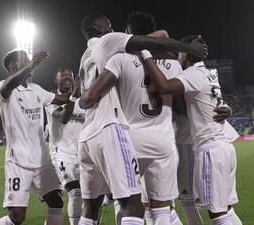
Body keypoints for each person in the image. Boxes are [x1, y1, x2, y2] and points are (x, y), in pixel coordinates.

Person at [77, 13, 207, 225]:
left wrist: (82, 100)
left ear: (128, 33)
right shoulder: (173, 64)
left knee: (121, 204)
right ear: (100, 29)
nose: (112, 29)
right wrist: (188, 49)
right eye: (108, 26)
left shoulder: (114, 59)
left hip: (127, 137)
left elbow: (91, 95)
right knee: (161, 208)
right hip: (162, 140)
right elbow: (180, 105)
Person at [139, 35, 242, 225]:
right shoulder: (209, 73)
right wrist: (228, 108)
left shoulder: (191, 74)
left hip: (210, 148)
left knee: (217, 214)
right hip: (223, 146)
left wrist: (145, 54)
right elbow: (195, 105)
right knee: (225, 210)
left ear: (185, 53)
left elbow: (164, 88)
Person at [0, 50, 74, 225]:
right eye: (25, 61)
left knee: (56, 202)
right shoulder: (4, 87)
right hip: (18, 163)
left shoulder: (36, 90)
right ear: (13, 67)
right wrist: (31, 65)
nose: (31, 63)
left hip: (41, 163)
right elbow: (8, 86)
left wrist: (79, 91)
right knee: (17, 217)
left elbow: (62, 99)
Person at [45, 66, 83, 225]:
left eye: (70, 76)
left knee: (90, 196)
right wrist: (73, 98)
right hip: (61, 153)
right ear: (56, 80)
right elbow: (63, 117)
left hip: (83, 153)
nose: (67, 78)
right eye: (63, 76)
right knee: (74, 192)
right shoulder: (51, 100)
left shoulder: (83, 99)